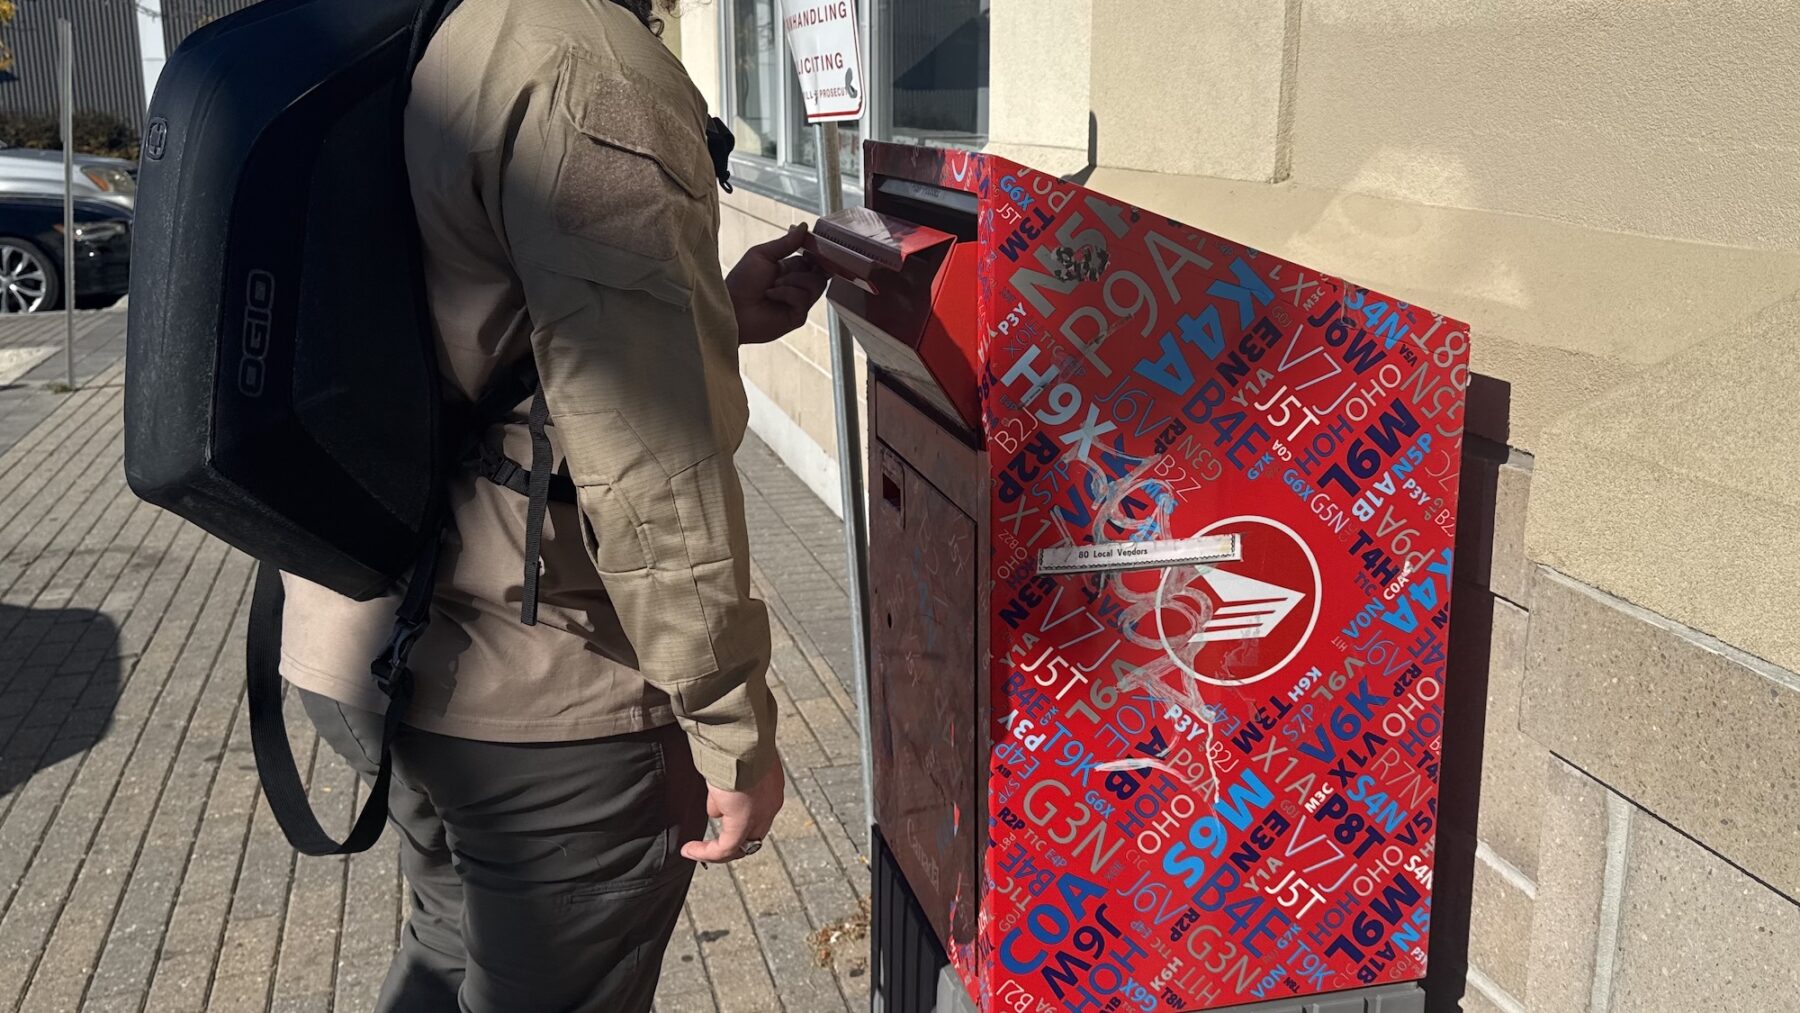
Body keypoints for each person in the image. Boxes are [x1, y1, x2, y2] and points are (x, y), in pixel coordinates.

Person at [275, 0, 829, 1009]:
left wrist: (704, 311)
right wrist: (733, 727)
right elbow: (649, 452)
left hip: (366, 635)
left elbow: (475, 315)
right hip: (543, 697)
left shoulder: (431, 28)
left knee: (446, 952)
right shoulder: (583, 60)